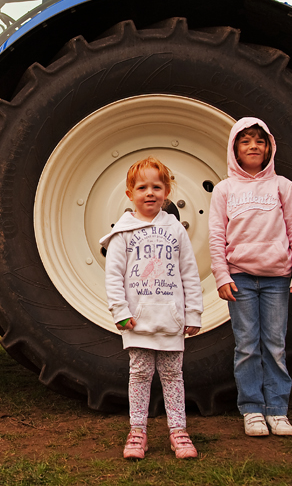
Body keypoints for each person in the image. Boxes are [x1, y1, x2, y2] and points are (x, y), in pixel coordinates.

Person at [208, 117, 292, 438]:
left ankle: (277, 409)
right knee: (248, 346)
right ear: (234, 149)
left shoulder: (283, 186)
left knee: (276, 345)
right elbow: (215, 235)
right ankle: (252, 408)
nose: (254, 146)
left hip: (277, 278)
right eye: (246, 141)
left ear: (269, 148)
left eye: (260, 141)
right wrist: (221, 275)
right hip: (240, 279)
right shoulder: (225, 189)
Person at [100, 156, 204, 460]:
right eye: (142, 187)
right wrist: (120, 311)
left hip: (170, 320)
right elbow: (114, 275)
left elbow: (189, 273)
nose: (149, 193)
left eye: (156, 187)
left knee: (173, 377)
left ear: (167, 192)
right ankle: (137, 431)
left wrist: (193, 313)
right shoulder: (124, 232)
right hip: (138, 321)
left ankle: (178, 431)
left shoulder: (175, 230)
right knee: (140, 375)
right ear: (129, 194)